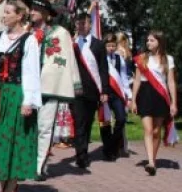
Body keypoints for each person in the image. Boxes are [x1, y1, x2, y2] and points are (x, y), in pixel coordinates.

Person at [0, 0, 41, 192]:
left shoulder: (29, 40)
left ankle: (11, 183)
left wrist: (29, 101)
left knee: (14, 138)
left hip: (17, 93)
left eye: (7, 12)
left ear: (19, 16)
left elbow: (31, 72)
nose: (4, 16)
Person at [28, 0, 80, 180]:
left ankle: (39, 166)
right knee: (27, 127)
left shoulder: (61, 33)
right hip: (27, 87)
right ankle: (26, 163)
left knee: (44, 127)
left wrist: (75, 82)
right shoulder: (27, 32)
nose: (31, 12)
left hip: (49, 86)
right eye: (31, 9)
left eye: (36, 9)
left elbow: (68, 58)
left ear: (46, 14)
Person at [130, 31, 177, 176]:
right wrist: (133, 100)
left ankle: (153, 160)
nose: (148, 43)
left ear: (160, 42)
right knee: (148, 130)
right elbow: (137, 80)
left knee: (156, 132)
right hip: (145, 95)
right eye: (147, 40)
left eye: (152, 40)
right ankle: (150, 162)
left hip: (160, 97)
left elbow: (170, 82)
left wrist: (174, 102)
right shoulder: (142, 58)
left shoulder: (168, 60)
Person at [72, 11, 109, 170]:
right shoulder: (72, 44)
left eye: (83, 23)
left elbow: (103, 69)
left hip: (93, 90)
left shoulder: (98, 45)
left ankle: (83, 150)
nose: (80, 26)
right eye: (78, 23)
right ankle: (81, 155)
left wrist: (105, 91)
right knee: (79, 122)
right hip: (76, 90)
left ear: (89, 24)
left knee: (87, 123)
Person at [100, 33, 130, 161]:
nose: (111, 48)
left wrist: (128, 93)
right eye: (108, 46)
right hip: (105, 94)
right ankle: (108, 150)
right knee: (105, 122)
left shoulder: (119, 59)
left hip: (117, 93)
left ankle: (112, 145)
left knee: (121, 119)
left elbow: (123, 77)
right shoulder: (100, 58)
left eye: (113, 45)